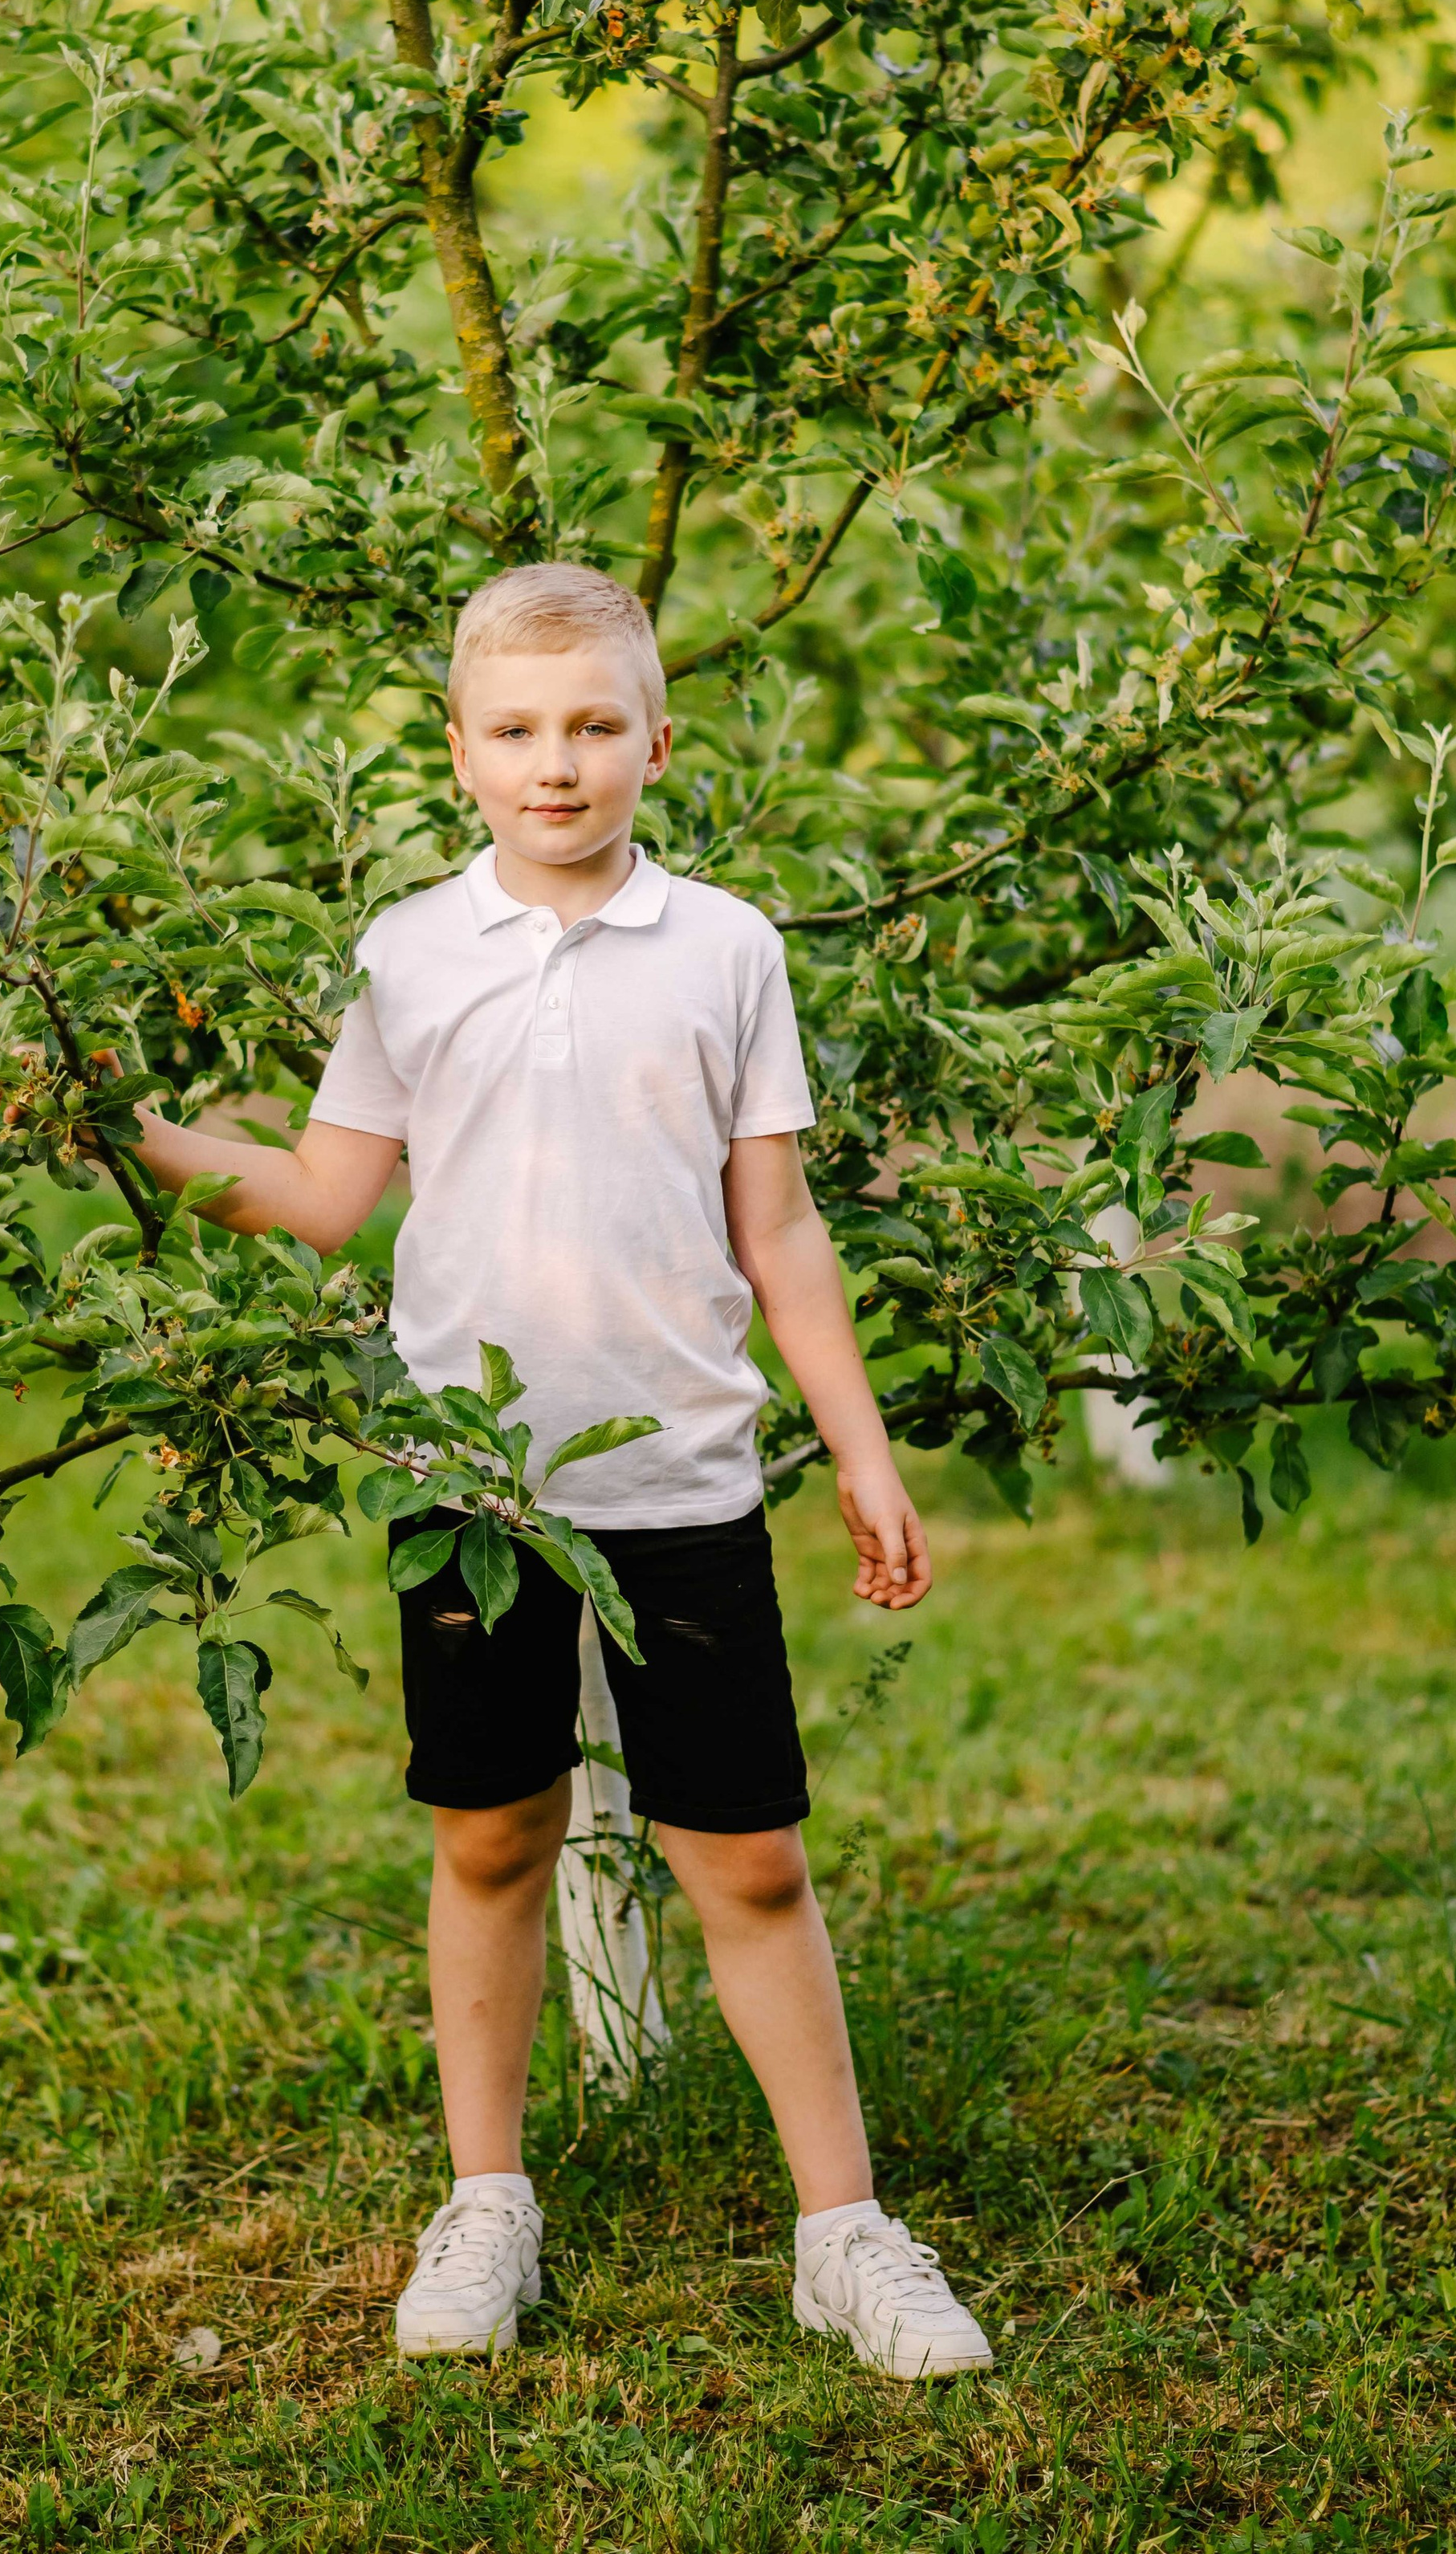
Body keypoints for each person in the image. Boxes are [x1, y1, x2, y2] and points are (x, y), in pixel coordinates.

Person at [120, 563, 991, 2382]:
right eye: (515, 729)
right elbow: (321, 1193)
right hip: (475, 1487)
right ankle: (487, 2199)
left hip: (678, 1476)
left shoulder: (724, 948)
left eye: (593, 725)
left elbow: (783, 1229)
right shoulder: (409, 954)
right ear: (458, 752)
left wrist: (860, 1446)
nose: (557, 763)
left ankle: (842, 2228)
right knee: (491, 1830)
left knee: (745, 1855)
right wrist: (115, 1122)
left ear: (655, 741)